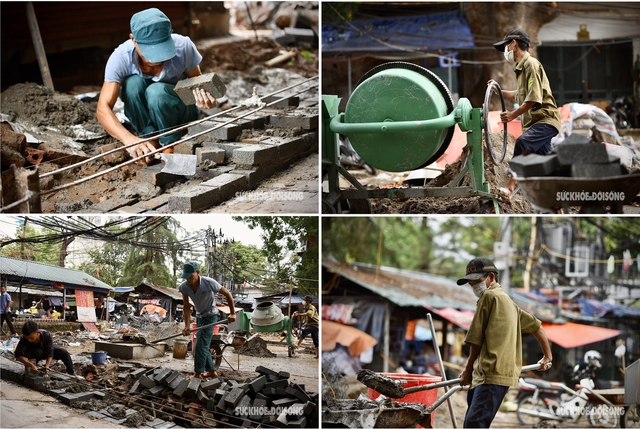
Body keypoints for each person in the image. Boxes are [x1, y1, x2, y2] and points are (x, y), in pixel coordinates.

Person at [97, 8, 217, 164]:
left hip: (181, 114)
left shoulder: (183, 46)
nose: (156, 58)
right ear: (133, 39)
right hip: (149, 117)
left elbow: (199, 83)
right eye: (149, 50)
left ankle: (171, 144)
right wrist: (129, 139)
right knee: (132, 84)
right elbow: (102, 108)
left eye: (162, 48)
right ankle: (149, 140)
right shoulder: (120, 57)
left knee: (157, 91)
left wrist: (207, 98)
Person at [457, 257, 553, 428]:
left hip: (490, 373)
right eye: (470, 284)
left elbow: (475, 340)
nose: (473, 287)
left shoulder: (489, 296)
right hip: (494, 376)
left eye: (476, 281)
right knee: (473, 423)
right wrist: (547, 356)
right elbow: (537, 327)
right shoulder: (508, 301)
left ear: (491, 277)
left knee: (473, 424)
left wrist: (467, 370)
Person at [490, 29, 561, 199]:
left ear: (513, 44)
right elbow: (520, 94)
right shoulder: (521, 68)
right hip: (535, 122)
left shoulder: (531, 65)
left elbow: (534, 99)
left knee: (523, 143)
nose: (505, 51)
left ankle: (509, 188)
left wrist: (513, 115)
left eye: (506, 46)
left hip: (545, 119)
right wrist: (498, 89)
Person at [179, 262, 236, 379]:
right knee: (203, 344)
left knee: (200, 345)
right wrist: (187, 325)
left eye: (191, 276)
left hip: (211, 317)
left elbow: (227, 294)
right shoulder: (184, 287)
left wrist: (233, 313)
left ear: (198, 272)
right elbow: (186, 306)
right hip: (199, 317)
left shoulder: (209, 282)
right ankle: (211, 370)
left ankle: (198, 374)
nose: (188, 280)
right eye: (186, 277)